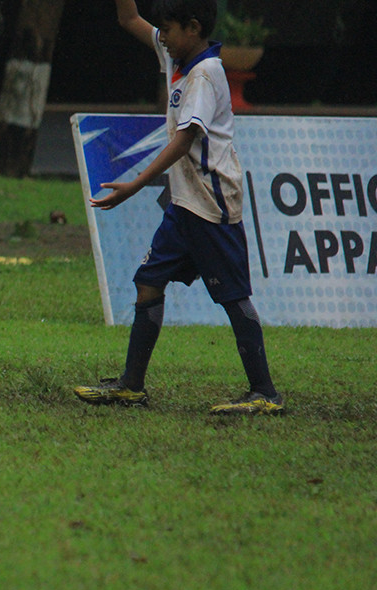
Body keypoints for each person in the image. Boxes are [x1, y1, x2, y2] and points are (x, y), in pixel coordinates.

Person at [74, 0, 282, 415]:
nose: (161, 38)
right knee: (148, 282)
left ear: (193, 28)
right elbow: (128, 18)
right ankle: (132, 386)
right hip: (184, 204)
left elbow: (184, 141)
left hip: (210, 202)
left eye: (167, 30)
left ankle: (266, 393)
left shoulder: (205, 73)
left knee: (233, 297)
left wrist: (134, 184)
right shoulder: (177, 56)